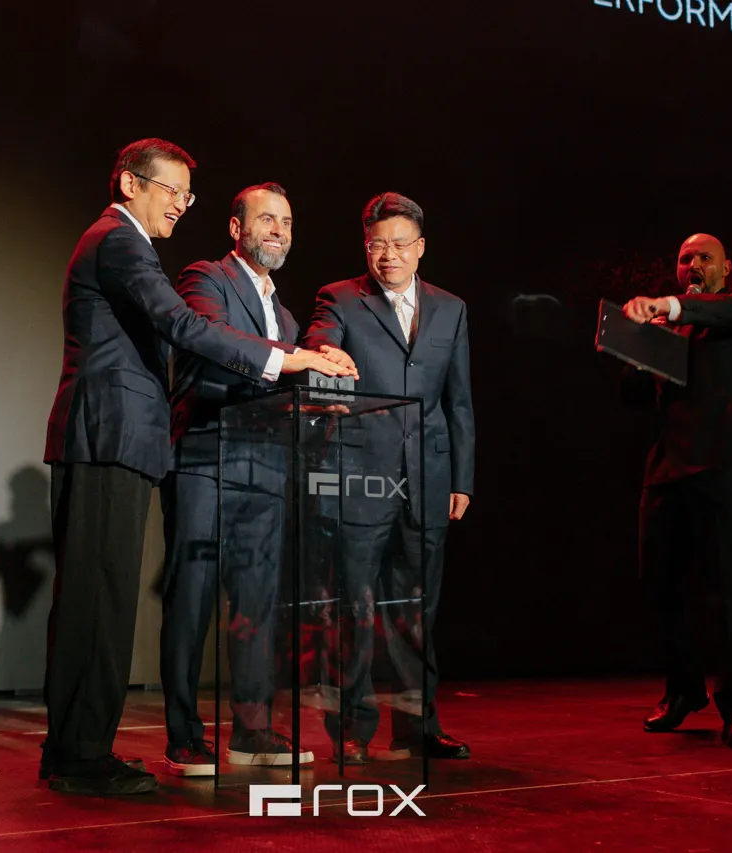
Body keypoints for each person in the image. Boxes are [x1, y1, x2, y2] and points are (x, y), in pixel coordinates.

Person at [41, 140, 354, 797]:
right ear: (131, 183)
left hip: (128, 440)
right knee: (96, 602)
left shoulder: (127, 243)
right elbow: (184, 324)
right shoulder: (120, 240)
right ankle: (78, 755)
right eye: (172, 190)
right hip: (108, 434)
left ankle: (82, 748)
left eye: (188, 194)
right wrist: (293, 359)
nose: (182, 205)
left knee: (107, 600)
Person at [160, 182, 358, 775]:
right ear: (236, 228)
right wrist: (299, 360)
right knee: (192, 599)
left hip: (266, 467)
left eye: (287, 222)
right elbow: (216, 343)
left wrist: (322, 393)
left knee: (256, 606)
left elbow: (280, 383)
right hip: (206, 458)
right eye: (267, 219)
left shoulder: (288, 316)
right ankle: (183, 736)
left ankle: (251, 732)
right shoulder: (205, 278)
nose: (278, 230)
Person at [302, 191, 474, 763]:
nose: (389, 256)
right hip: (359, 475)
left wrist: (462, 478)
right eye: (378, 245)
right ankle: (352, 730)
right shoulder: (340, 298)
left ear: (420, 248)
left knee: (417, 609)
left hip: (429, 478)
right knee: (354, 607)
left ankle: (418, 727)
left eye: (400, 245)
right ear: (366, 246)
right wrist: (324, 356)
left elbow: (458, 402)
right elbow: (319, 343)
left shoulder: (451, 308)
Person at [620, 232, 732, 750]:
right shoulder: (671, 326)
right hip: (672, 465)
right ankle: (684, 690)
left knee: (730, 586)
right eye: (685, 258)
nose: (694, 264)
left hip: (730, 460)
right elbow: (632, 394)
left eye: (705, 258)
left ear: (725, 268)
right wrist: (634, 346)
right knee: (661, 582)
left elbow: (727, 313)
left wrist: (667, 306)